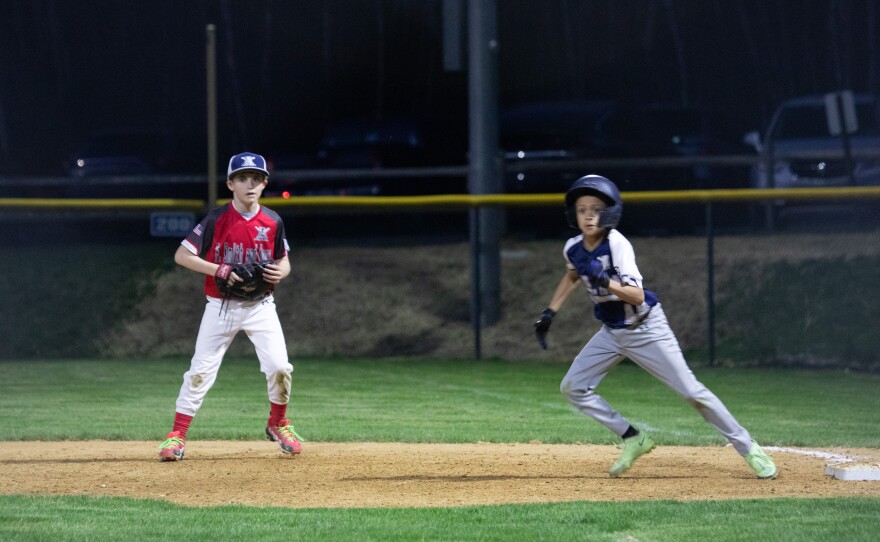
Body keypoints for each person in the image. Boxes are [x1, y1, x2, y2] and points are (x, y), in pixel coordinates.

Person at [533, 174, 777, 479]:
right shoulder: (573, 247)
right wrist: (550, 312)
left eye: (595, 208)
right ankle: (633, 437)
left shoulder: (617, 244)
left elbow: (636, 295)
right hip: (612, 332)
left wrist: (604, 281)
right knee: (573, 387)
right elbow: (573, 275)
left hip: (647, 329)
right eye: (582, 209)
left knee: (692, 392)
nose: (588, 215)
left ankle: (749, 448)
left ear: (609, 212)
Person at [158, 152, 302, 461]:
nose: (250, 184)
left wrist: (283, 271)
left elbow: (283, 259)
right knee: (200, 371)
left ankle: (278, 422)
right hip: (221, 306)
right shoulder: (216, 219)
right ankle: (177, 436)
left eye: (257, 179)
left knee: (279, 367)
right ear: (230, 184)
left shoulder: (273, 220)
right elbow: (182, 256)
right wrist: (218, 269)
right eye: (242, 179)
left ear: (264, 184)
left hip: (261, 306)